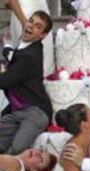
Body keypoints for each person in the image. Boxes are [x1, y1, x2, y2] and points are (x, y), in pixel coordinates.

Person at [0, 10, 53, 154]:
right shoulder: (27, 47)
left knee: (17, 148)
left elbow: (4, 81)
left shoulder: (31, 56)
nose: (30, 26)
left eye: (38, 26)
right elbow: (14, 55)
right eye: (31, 21)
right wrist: (6, 48)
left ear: (43, 35)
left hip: (35, 112)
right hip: (17, 110)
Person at [7, 0, 55, 76]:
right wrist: (24, 22)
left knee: (46, 59)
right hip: (24, 13)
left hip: (42, 11)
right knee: (24, 58)